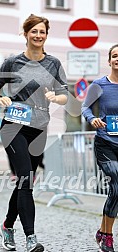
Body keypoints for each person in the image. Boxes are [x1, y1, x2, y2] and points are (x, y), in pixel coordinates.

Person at [0, 14, 68, 252]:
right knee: (25, 178)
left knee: (26, 181)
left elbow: (64, 94)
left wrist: (56, 97)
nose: (38, 35)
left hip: (38, 129)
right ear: (25, 34)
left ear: (46, 35)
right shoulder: (12, 62)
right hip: (14, 126)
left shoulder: (53, 63)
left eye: (42, 32)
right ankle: (31, 238)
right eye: (34, 31)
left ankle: (7, 225)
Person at [82, 44, 118, 252]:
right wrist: (92, 118)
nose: (117, 59)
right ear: (109, 61)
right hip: (105, 143)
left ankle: (103, 232)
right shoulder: (99, 84)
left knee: (116, 190)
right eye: (114, 56)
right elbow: (85, 106)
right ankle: (108, 237)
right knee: (117, 182)